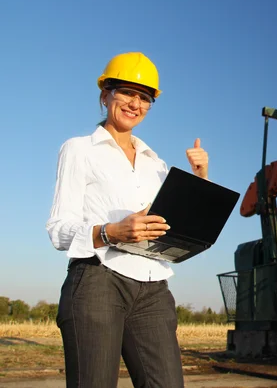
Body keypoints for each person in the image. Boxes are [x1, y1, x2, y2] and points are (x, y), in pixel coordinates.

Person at [46, 52, 208, 387]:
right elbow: (59, 230)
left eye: (144, 97)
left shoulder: (157, 164)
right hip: (97, 280)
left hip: (153, 288)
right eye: (126, 92)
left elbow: (178, 224)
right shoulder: (79, 149)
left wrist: (200, 177)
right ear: (105, 95)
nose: (135, 103)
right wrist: (112, 232)